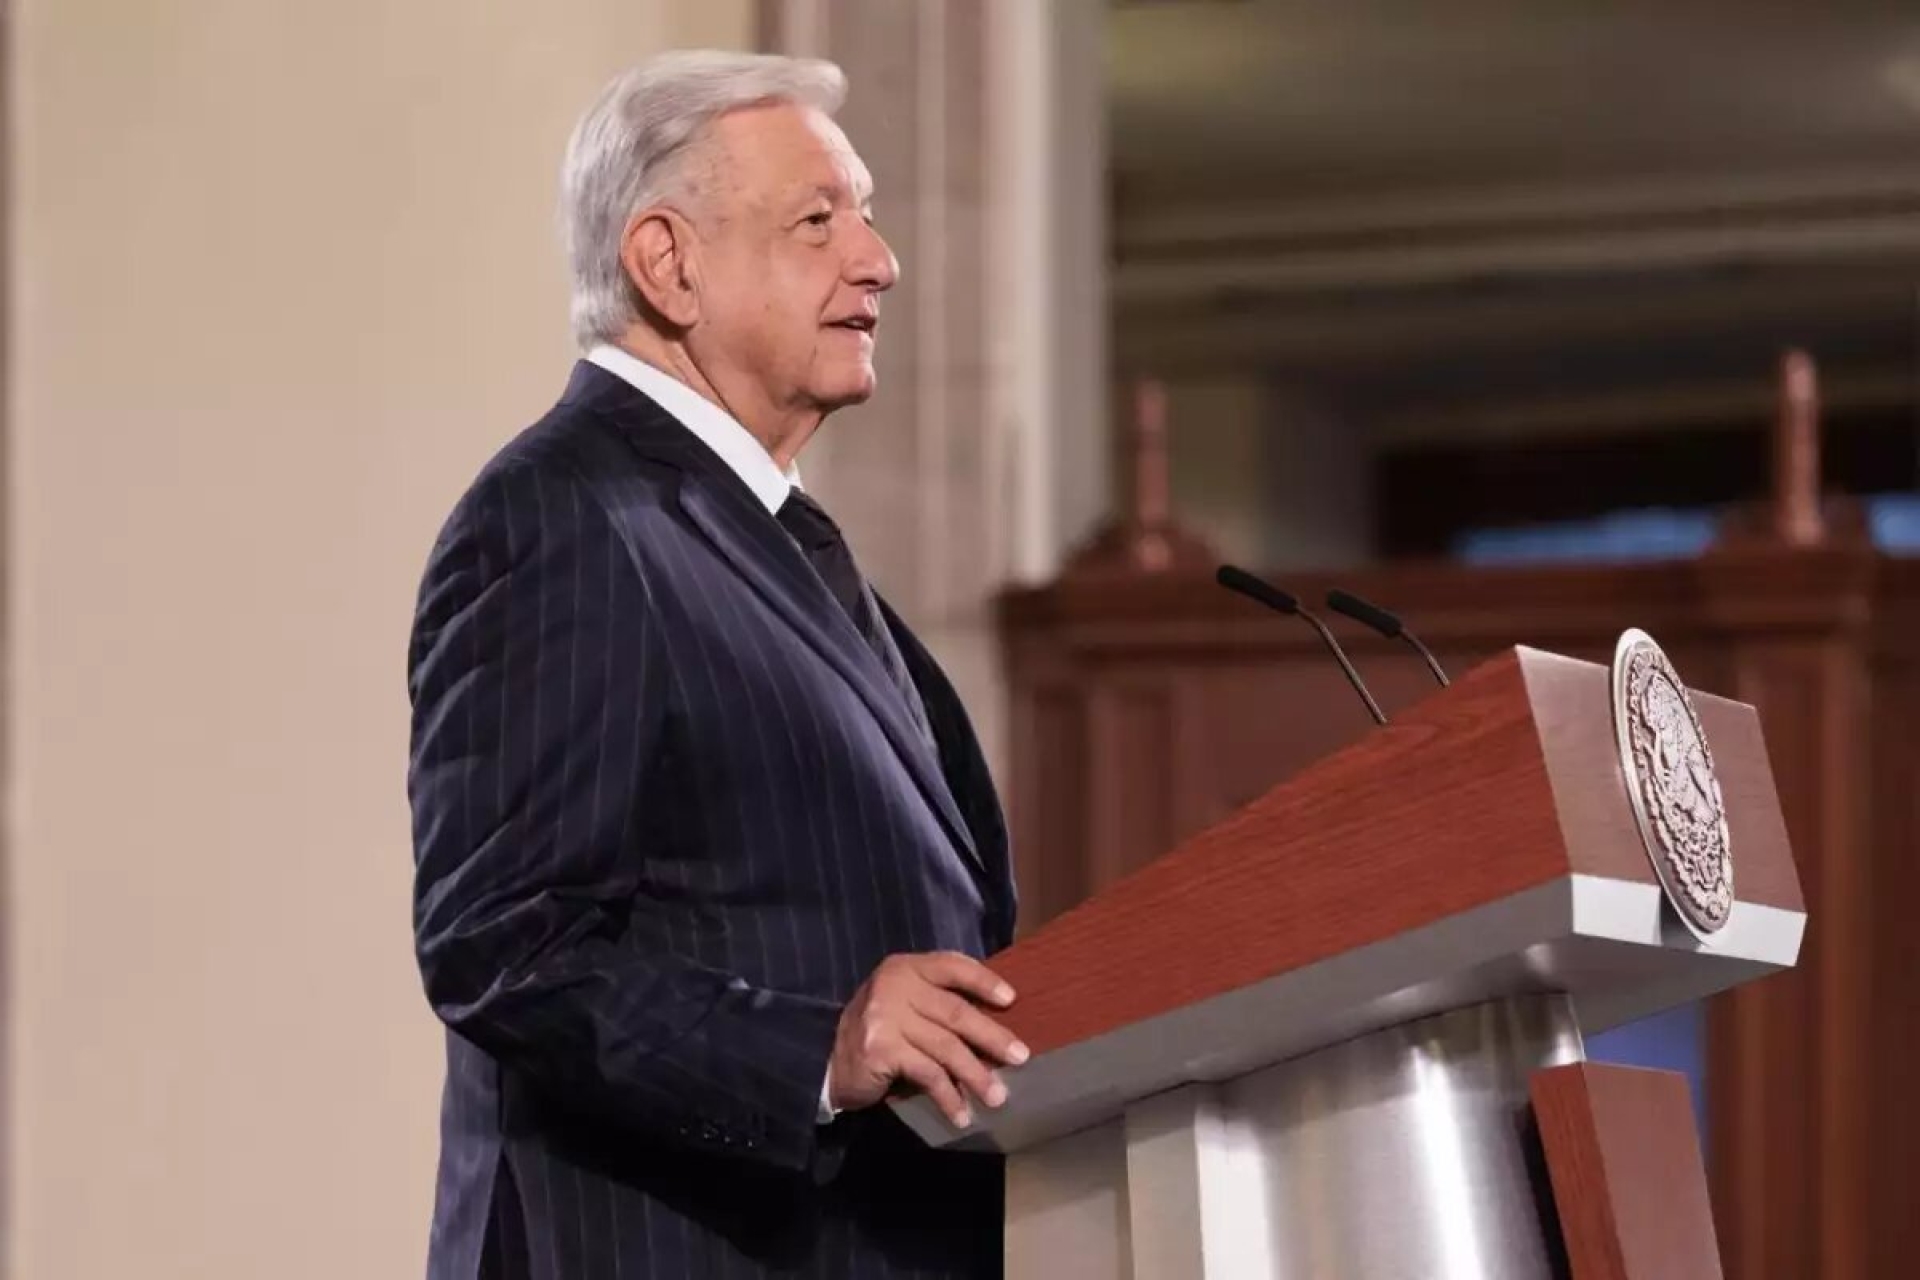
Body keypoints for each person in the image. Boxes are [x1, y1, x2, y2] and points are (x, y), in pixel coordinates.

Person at [405, 50, 1023, 1279]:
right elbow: (503, 945)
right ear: (667, 262)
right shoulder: (565, 518)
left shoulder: (768, 539)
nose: (879, 259)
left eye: (865, 214)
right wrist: (818, 1049)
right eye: (818, 220)